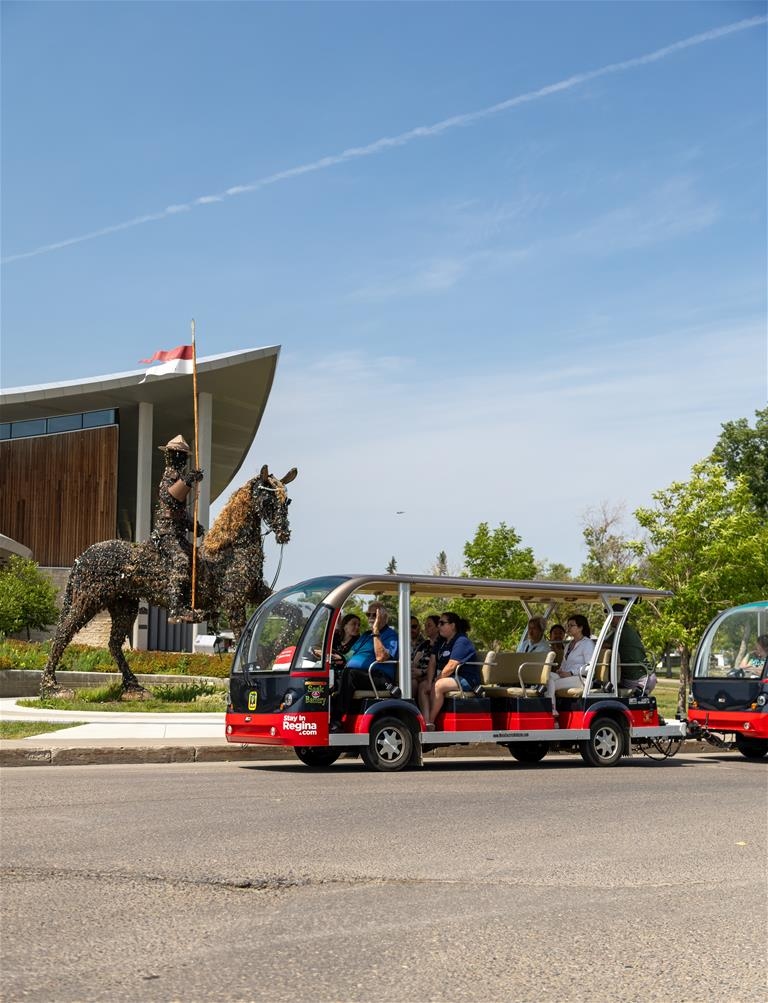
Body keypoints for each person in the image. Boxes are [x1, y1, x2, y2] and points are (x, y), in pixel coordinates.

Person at [150, 434, 204, 622]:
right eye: (178, 455)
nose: (180, 459)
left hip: (179, 533)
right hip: (166, 534)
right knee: (180, 560)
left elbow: (180, 511)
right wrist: (188, 480)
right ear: (171, 456)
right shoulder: (169, 475)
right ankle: (176, 609)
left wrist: (193, 526)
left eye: (183, 455)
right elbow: (171, 499)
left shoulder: (179, 477)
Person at [331, 602, 399, 730]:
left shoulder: (391, 635)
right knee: (330, 676)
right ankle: (326, 718)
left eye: (375, 615)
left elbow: (381, 657)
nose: (371, 617)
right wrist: (334, 658)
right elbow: (350, 655)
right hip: (360, 675)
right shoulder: (366, 635)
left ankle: (337, 720)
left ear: (384, 617)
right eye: (369, 614)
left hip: (379, 677)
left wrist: (376, 631)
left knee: (349, 674)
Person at [422, 612, 478, 730]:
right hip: (449, 677)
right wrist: (428, 681)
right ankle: (425, 721)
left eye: (442, 623)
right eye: (438, 623)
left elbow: (452, 665)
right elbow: (432, 662)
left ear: (453, 625)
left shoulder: (461, 641)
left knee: (438, 685)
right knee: (423, 686)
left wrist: (435, 680)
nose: (439, 626)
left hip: (465, 678)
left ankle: (430, 723)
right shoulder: (441, 641)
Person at [546, 614, 595, 721]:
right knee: (547, 676)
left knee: (552, 683)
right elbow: (564, 663)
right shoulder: (569, 645)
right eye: (568, 625)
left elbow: (590, 667)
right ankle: (552, 709)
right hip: (567, 676)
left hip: (581, 679)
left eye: (571, 625)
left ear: (580, 628)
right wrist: (561, 670)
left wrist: (571, 673)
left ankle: (552, 710)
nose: (568, 628)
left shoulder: (587, 643)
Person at [607, 603, 657, 695]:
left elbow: (602, 646)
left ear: (618, 617)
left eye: (611, 615)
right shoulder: (629, 629)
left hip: (637, 679)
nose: (609, 619)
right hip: (647, 675)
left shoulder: (620, 632)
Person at [411, 614, 437, 692]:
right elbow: (415, 663)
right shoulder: (424, 644)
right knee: (412, 682)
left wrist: (422, 672)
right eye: (425, 625)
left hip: (432, 675)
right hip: (419, 675)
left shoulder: (442, 645)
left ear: (437, 627)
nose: (426, 628)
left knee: (420, 684)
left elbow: (438, 666)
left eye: (429, 625)